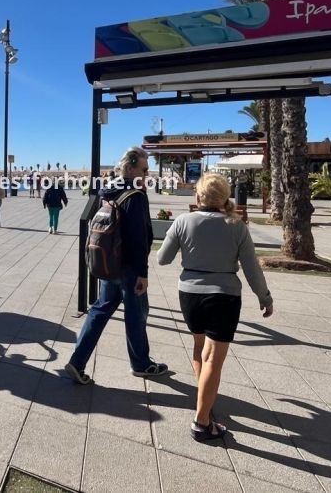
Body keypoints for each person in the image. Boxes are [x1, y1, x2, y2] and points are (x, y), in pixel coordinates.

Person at [157, 172, 273, 442]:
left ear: (198, 196)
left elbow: (163, 258)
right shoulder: (236, 225)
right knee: (213, 359)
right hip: (223, 297)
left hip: (189, 294)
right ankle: (201, 422)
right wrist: (264, 297)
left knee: (200, 349)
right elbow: (252, 268)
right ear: (224, 197)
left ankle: (205, 404)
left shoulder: (183, 221)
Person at [65, 147, 169, 384]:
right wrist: (142, 273)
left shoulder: (109, 191)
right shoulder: (135, 196)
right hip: (129, 267)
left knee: (100, 310)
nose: (147, 174)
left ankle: (77, 361)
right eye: (144, 169)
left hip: (108, 263)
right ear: (130, 168)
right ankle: (141, 364)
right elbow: (138, 237)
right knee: (136, 315)